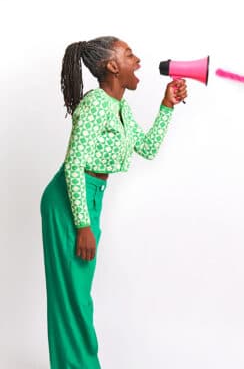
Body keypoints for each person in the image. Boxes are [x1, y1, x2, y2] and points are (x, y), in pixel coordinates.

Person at [40, 36, 188, 368]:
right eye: (129, 55)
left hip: (90, 198)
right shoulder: (94, 105)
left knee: (77, 298)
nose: (137, 61)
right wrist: (82, 225)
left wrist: (167, 106)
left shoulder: (120, 107)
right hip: (69, 199)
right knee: (73, 300)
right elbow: (75, 163)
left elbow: (147, 148)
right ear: (112, 66)